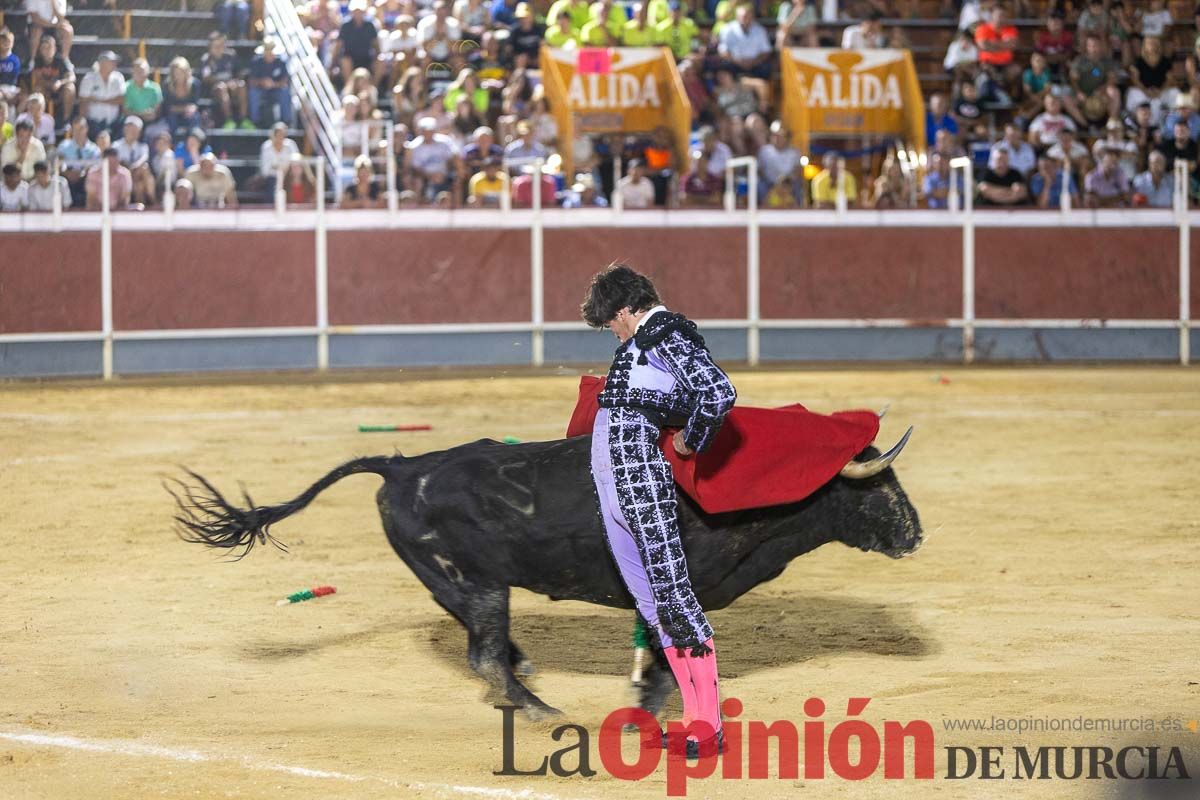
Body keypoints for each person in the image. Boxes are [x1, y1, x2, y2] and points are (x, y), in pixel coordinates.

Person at [580, 264, 735, 759]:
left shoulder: (666, 331)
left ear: (626, 309)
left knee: (674, 598)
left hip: (643, 481)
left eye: (611, 320)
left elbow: (717, 392)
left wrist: (692, 439)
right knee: (651, 606)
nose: (611, 329)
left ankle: (708, 725)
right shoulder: (637, 343)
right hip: (612, 485)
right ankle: (694, 719)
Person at [78, 51, 125, 140]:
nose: (115, 64)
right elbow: (83, 101)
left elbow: (121, 99)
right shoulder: (89, 78)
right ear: (102, 63)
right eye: (112, 61)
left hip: (114, 123)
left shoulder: (119, 77)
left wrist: (98, 100)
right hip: (93, 123)